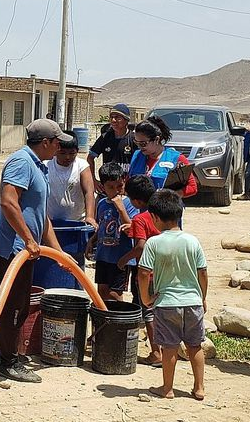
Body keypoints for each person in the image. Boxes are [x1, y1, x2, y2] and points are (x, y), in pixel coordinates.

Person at [0, 118, 75, 383]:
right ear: (46, 142)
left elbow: (42, 217)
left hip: (25, 247)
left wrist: (60, 254)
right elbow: (8, 203)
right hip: (12, 248)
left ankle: (6, 351)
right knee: (14, 306)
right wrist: (27, 239)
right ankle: (8, 362)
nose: (60, 146)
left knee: (19, 304)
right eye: (57, 141)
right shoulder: (22, 162)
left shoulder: (39, 166)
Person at [136, 189, 208, 400]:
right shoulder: (192, 241)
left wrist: (146, 298)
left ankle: (167, 388)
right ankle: (199, 387)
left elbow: (143, 273)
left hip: (166, 303)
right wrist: (202, 297)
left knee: (169, 347)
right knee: (195, 345)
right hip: (192, 302)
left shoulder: (154, 243)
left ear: (155, 217)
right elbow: (202, 272)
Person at [118, 175, 162, 366]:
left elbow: (141, 247)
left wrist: (124, 259)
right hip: (167, 270)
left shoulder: (140, 218)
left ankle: (156, 352)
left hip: (148, 273)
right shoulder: (163, 213)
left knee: (149, 313)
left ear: (136, 201)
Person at [84, 163, 138, 302]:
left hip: (120, 257)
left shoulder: (129, 204)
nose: (116, 191)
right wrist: (93, 240)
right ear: (103, 186)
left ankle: (117, 320)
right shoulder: (102, 203)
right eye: (111, 187)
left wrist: (121, 209)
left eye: (119, 186)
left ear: (124, 181)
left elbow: (132, 230)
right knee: (102, 291)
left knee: (115, 294)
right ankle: (104, 320)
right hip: (103, 255)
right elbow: (102, 225)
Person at [129, 116, 197, 199]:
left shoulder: (176, 158)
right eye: (137, 143)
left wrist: (169, 196)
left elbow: (192, 187)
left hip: (164, 208)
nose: (139, 147)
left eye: (143, 144)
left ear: (156, 140)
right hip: (140, 208)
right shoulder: (137, 155)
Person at [46, 130, 97, 227]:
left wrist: (90, 217)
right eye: (63, 153)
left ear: (77, 151)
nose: (67, 157)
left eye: (72, 153)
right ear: (56, 150)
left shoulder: (82, 166)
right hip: (50, 222)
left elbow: (89, 193)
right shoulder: (47, 164)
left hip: (76, 221)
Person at [87, 104, 136, 193]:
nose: (113, 120)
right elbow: (90, 158)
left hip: (126, 189)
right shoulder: (105, 137)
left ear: (126, 120)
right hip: (107, 188)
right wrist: (94, 180)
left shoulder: (134, 139)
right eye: (111, 117)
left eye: (118, 117)